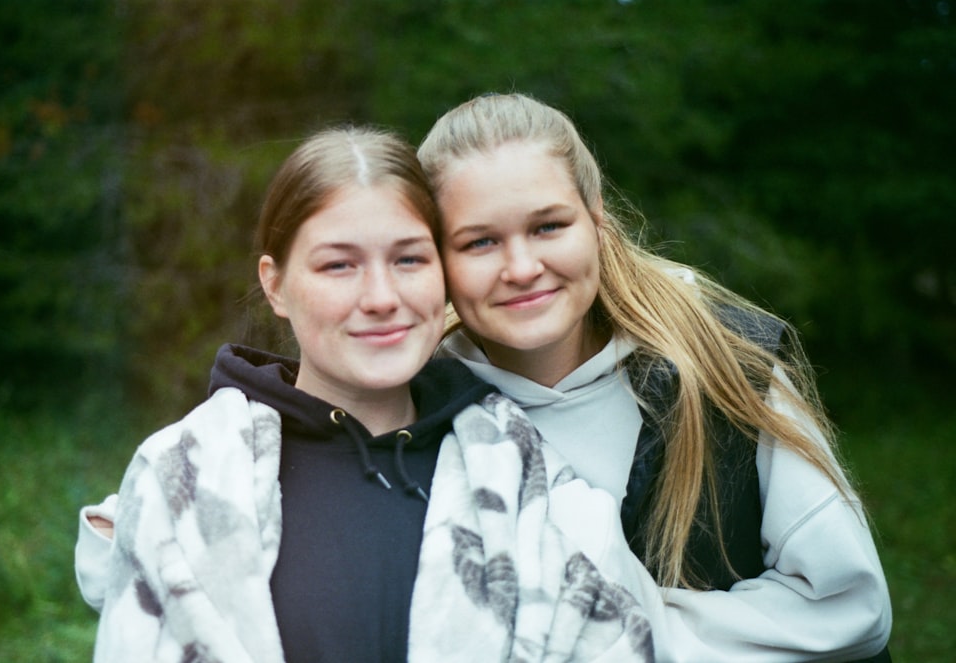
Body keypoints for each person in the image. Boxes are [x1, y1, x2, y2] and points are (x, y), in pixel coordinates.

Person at [78, 126, 653, 662]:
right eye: (338, 265)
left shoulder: (529, 477)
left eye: (408, 259)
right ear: (274, 284)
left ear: (443, 274)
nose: (381, 296)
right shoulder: (183, 478)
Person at [416, 92, 892, 662]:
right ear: (435, 256)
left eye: (548, 227)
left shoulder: (727, 363)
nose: (521, 268)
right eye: (480, 242)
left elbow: (850, 606)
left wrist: (613, 636)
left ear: (596, 220)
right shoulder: (413, 410)